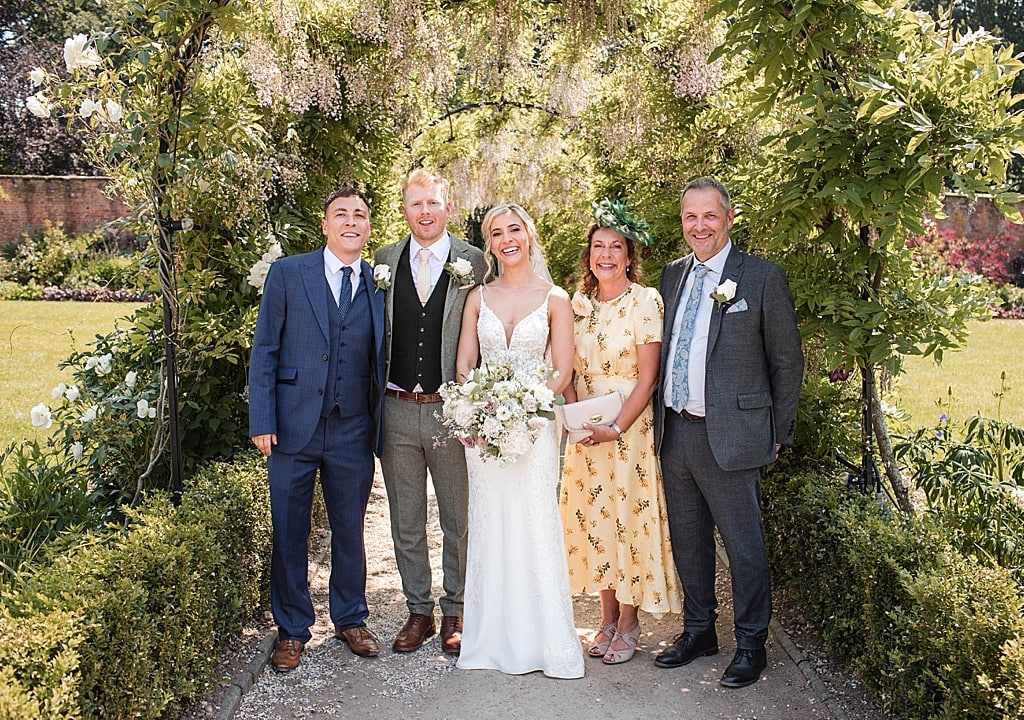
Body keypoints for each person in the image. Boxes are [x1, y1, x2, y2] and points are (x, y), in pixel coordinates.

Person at [653, 177, 804, 688]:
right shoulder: (671, 276)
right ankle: (699, 632)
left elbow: (787, 360)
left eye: (709, 216)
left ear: (729, 218)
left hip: (733, 434)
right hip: (676, 431)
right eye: (690, 217)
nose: (699, 226)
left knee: (742, 545)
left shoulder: (760, 277)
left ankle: (750, 644)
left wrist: (778, 431)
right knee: (688, 540)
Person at [249, 187, 386, 671]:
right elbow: (264, 348)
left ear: (369, 227)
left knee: (350, 529)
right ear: (325, 225)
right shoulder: (289, 273)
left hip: (352, 428)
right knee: (289, 529)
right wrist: (262, 420)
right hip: (291, 427)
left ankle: (351, 618)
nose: (351, 222)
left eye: (361, 216)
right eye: (341, 215)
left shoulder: (377, 282)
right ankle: (291, 629)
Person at [453, 203, 584, 679]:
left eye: (514, 230)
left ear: (529, 235)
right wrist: (481, 407)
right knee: (490, 524)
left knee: (534, 522)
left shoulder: (556, 299)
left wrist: (525, 408)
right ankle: (490, 639)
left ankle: (545, 642)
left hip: (534, 429)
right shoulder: (477, 297)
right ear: (489, 244)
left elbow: (563, 371)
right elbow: (466, 365)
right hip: (486, 430)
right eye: (495, 233)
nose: (506, 239)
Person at [559, 201, 681, 666]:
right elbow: (565, 368)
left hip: (627, 431)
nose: (605, 254)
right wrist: (575, 416)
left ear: (629, 255)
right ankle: (606, 617)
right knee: (595, 524)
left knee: (629, 521)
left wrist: (615, 427)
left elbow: (648, 379)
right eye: (598, 246)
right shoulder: (578, 304)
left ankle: (630, 621)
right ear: (588, 254)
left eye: (615, 247)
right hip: (587, 432)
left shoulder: (645, 301)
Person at [373, 169, 486, 655]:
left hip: (450, 409)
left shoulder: (475, 262)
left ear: (447, 207)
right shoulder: (383, 261)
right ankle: (418, 610)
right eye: (415, 203)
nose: (425, 211)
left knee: (458, 517)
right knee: (406, 518)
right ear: (404, 210)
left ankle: (455, 609)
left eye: (433, 203)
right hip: (396, 407)